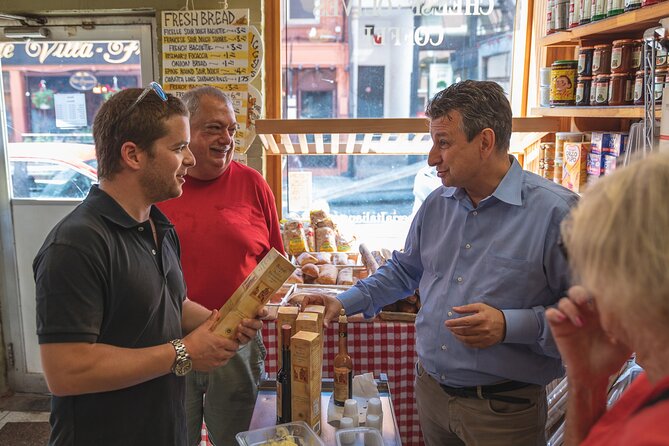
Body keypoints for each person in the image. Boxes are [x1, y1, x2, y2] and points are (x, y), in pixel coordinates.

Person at [302, 80, 578, 445]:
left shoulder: (557, 213)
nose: (432, 158)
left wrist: (510, 324)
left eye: (443, 143)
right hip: (432, 395)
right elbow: (403, 271)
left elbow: (590, 316)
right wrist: (343, 301)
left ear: (485, 142)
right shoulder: (437, 203)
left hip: (503, 411)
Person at [33, 84, 264, 446]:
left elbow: (173, 303)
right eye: (178, 148)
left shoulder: (158, 225)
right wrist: (185, 352)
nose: (189, 159)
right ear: (133, 155)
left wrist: (220, 323)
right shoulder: (76, 244)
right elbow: (66, 371)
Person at [158, 86, 284, 446]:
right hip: (170, 342)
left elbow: (274, 262)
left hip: (236, 344)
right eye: (213, 128)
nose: (226, 139)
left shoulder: (253, 183)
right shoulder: (160, 189)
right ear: (184, 132)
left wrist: (261, 305)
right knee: (172, 435)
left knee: (235, 438)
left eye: (231, 129)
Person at [546, 153, 669, 445]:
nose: (583, 290)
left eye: (593, 270)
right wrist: (586, 381)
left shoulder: (653, 431)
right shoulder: (656, 378)